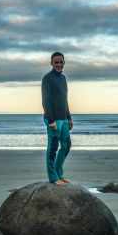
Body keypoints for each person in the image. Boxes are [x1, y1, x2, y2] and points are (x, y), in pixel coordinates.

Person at [42, 51, 73, 185]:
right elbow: (46, 101)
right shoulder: (47, 78)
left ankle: (59, 173)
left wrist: (69, 117)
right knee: (53, 148)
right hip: (53, 119)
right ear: (51, 63)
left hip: (64, 119)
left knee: (66, 146)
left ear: (64, 63)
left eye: (61, 62)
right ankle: (53, 178)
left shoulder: (63, 78)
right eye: (56, 62)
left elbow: (64, 100)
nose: (59, 64)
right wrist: (51, 120)